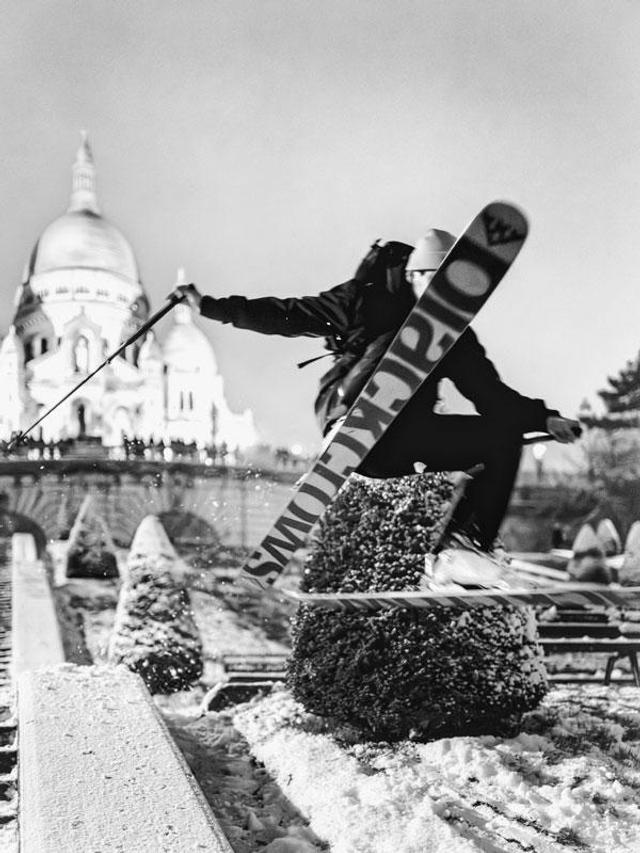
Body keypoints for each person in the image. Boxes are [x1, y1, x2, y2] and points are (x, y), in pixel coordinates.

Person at [172, 229, 580, 561]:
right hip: (349, 411)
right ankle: (355, 421)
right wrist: (209, 306)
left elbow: (493, 397)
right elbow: (288, 314)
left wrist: (545, 419)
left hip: (402, 443)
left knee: (501, 439)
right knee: (399, 336)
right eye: (432, 283)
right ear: (413, 274)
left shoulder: (455, 335)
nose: (439, 299)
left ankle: (464, 549)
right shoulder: (362, 298)